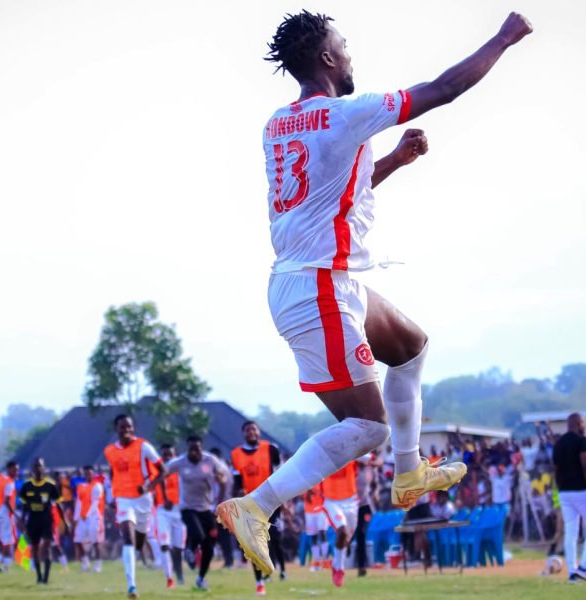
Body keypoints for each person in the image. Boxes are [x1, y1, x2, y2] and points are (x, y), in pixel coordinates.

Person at [217, 9, 533, 580]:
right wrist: (505, 37)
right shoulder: (346, 113)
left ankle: (409, 473)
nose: (351, 54)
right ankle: (256, 506)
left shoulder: (278, 125)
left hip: (324, 280)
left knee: (410, 346)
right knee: (369, 426)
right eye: (344, 45)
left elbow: (333, 193)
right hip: (318, 286)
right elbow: (444, 89)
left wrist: (395, 161)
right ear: (327, 58)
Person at [145, 435, 231, 591]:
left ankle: (200, 578)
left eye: (197, 448)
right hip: (187, 507)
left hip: (207, 507)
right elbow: (163, 472)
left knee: (209, 547)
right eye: (191, 448)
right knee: (198, 534)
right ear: (187, 448)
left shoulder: (210, 460)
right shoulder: (180, 462)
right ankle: (189, 550)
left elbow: (224, 477)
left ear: (201, 448)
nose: (194, 452)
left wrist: (220, 500)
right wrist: (150, 486)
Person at [103, 414, 163, 600]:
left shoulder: (143, 446)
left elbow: (163, 470)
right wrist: (113, 494)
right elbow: (113, 472)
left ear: (133, 428)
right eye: (123, 427)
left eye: (129, 426)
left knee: (139, 538)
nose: (126, 430)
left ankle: (135, 557)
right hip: (123, 499)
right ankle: (131, 586)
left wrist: (148, 487)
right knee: (128, 537)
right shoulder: (110, 451)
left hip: (143, 499)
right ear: (116, 429)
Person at [227, 421, 285, 595]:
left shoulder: (271, 449)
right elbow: (237, 480)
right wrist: (238, 493)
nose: (251, 432)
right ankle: (259, 582)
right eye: (247, 430)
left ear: (259, 431)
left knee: (273, 537)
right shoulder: (236, 454)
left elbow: (281, 474)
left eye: (253, 429)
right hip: (250, 503)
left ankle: (277, 567)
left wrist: (284, 498)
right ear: (243, 433)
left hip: (271, 500)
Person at [553, 413, 586, 583]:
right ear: (579, 423)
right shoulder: (582, 440)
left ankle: (572, 573)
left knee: (571, 531)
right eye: (584, 423)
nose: (584, 426)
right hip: (581, 490)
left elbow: (556, 469)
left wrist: (560, 489)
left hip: (564, 492)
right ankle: (585, 567)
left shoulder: (558, 443)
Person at [318, 457, 360, 587]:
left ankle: (335, 565)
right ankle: (339, 569)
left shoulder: (352, 451)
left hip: (351, 501)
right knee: (342, 531)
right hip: (331, 501)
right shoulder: (322, 453)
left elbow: (375, 460)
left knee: (346, 539)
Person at [18, 457, 59, 584]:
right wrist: (22, 521)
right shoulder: (26, 486)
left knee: (46, 547)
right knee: (35, 548)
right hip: (33, 520)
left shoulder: (50, 485)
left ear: (44, 468)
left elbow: (58, 504)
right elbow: (24, 506)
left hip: (46, 520)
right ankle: (39, 576)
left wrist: (64, 521)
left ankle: (46, 577)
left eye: (40, 465)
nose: (38, 468)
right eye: (36, 466)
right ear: (32, 468)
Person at [152, 443, 186, 589]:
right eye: (164, 455)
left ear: (175, 456)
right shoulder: (156, 471)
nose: (166, 457)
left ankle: (180, 575)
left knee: (178, 548)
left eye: (169, 455)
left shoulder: (181, 471)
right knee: (164, 545)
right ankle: (169, 578)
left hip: (179, 510)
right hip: (162, 511)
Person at [73, 465, 104, 573]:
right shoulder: (80, 486)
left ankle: (98, 565)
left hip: (94, 517)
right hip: (82, 518)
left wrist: (88, 515)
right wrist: (76, 517)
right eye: (86, 474)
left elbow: (95, 503)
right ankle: (85, 562)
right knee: (77, 540)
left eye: (89, 473)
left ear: (93, 474)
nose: (87, 475)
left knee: (95, 541)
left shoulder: (97, 486)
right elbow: (79, 502)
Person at [0, 461, 19, 572]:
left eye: (17, 470)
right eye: (14, 470)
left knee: (5, 540)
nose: (16, 472)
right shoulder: (9, 482)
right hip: (5, 514)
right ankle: (1, 564)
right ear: (9, 469)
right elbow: (7, 501)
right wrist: (15, 514)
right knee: (8, 541)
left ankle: (3, 565)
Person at [302, 485, 327, 571]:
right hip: (309, 511)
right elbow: (300, 494)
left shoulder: (320, 479)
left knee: (322, 532)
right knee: (313, 536)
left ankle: (325, 560)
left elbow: (325, 492)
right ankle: (317, 561)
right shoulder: (303, 480)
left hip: (320, 509)